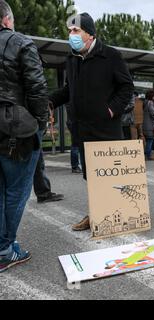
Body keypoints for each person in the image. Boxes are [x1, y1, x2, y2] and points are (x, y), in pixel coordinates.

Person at [50, 12, 134, 231]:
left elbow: (126, 87)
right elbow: (70, 90)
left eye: (76, 30)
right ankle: (97, 215)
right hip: (83, 129)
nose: (72, 35)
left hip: (106, 129)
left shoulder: (110, 55)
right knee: (92, 177)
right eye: (70, 31)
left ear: (89, 33)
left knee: (110, 177)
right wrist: (50, 101)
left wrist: (110, 110)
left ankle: (120, 216)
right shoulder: (71, 59)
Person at [0, 0, 48, 272]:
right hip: (15, 127)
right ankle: (5, 249)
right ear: (7, 19)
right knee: (17, 190)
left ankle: (3, 246)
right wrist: (39, 124)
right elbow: (37, 87)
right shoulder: (20, 42)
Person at [142, 90, 154, 161]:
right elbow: (153, 114)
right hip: (150, 125)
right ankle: (148, 156)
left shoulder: (144, 102)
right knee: (150, 140)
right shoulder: (150, 103)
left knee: (147, 140)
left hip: (145, 124)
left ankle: (146, 155)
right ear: (151, 96)